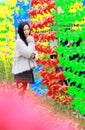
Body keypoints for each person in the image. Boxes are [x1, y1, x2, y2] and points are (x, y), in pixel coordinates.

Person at [12, 21, 38, 95]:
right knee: (19, 92)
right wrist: (31, 42)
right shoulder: (19, 42)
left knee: (23, 92)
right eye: (24, 30)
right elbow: (28, 54)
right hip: (21, 71)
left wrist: (34, 55)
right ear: (20, 31)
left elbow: (34, 53)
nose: (27, 31)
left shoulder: (28, 41)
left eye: (28, 29)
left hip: (27, 70)